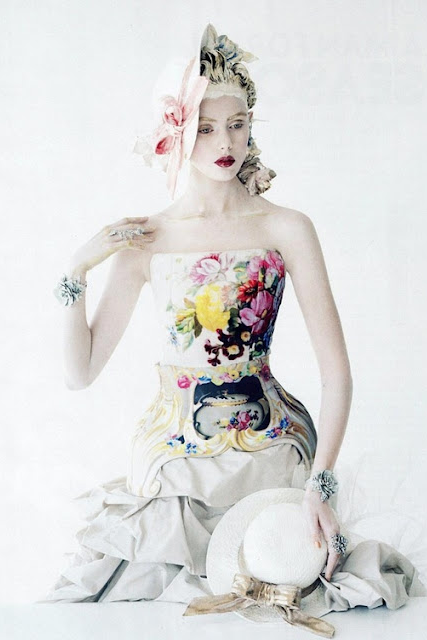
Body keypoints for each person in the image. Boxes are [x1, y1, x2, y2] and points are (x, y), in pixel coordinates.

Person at [47, 23, 354, 603]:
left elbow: (337, 375)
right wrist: (75, 271)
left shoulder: (287, 227)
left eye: (236, 124)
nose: (224, 142)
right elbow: (79, 373)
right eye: (205, 128)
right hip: (174, 473)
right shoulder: (148, 239)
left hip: (276, 460)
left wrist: (322, 482)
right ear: (176, 134)